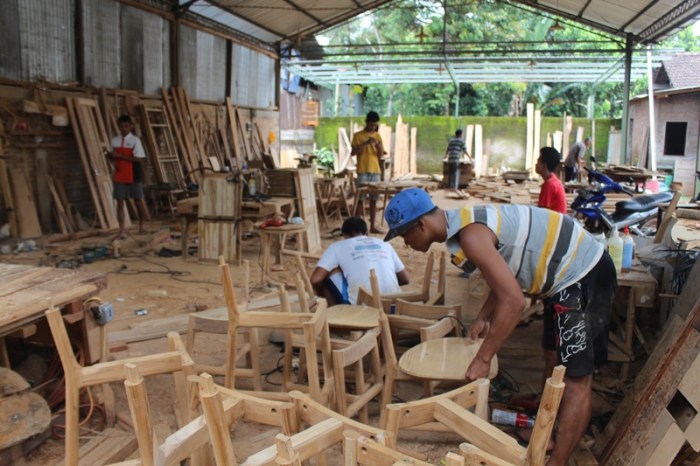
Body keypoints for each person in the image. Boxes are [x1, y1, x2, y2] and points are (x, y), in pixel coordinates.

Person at [383, 188, 616, 466]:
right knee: (553, 359)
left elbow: (515, 301)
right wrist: (484, 316)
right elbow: (505, 274)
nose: (406, 244)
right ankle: (550, 435)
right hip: (561, 280)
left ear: (422, 224)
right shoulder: (465, 223)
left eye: (404, 235)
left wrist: (484, 357)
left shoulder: (471, 235)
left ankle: (558, 461)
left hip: (583, 273)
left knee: (575, 379)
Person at [310, 217, 409, 306]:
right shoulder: (384, 244)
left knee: (329, 274)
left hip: (362, 309)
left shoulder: (337, 246)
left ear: (344, 235)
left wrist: (320, 293)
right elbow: (405, 279)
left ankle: (339, 318)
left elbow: (316, 279)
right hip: (393, 306)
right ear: (366, 233)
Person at [107, 115, 149, 239]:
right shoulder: (114, 140)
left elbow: (139, 160)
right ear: (118, 126)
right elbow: (113, 157)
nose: (124, 129)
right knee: (120, 202)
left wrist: (119, 155)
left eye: (126, 126)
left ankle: (142, 225)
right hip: (119, 173)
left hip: (134, 173)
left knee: (138, 201)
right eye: (121, 126)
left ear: (131, 126)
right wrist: (109, 155)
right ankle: (122, 230)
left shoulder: (136, 140)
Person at [351, 111, 387, 234]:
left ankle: (372, 226)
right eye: (371, 124)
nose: (373, 127)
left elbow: (381, 154)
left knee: (374, 199)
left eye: (375, 125)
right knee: (360, 199)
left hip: (375, 171)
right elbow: (353, 152)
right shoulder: (358, 136)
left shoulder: (378, 136)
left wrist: (377, 145)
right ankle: (356, 228)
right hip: (362, 170)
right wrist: (366, 143)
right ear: (366, 122)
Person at [536, 147, 567, 214]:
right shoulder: (554, 180)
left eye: (538, 162)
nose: (536, 165)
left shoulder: (549, 185)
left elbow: (541, 213)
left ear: (544, 165)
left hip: (555, 223)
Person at [444, 129, 470, 194]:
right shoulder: (461, 141)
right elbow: (465, 150)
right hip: (456, 158)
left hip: (450, 158)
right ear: (461, 134)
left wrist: (446, 156)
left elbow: (448, 149)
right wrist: (470, 157)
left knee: (451, 173)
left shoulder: (451, 140)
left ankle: (450, 187)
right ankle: (455, 188)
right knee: (456, 173)